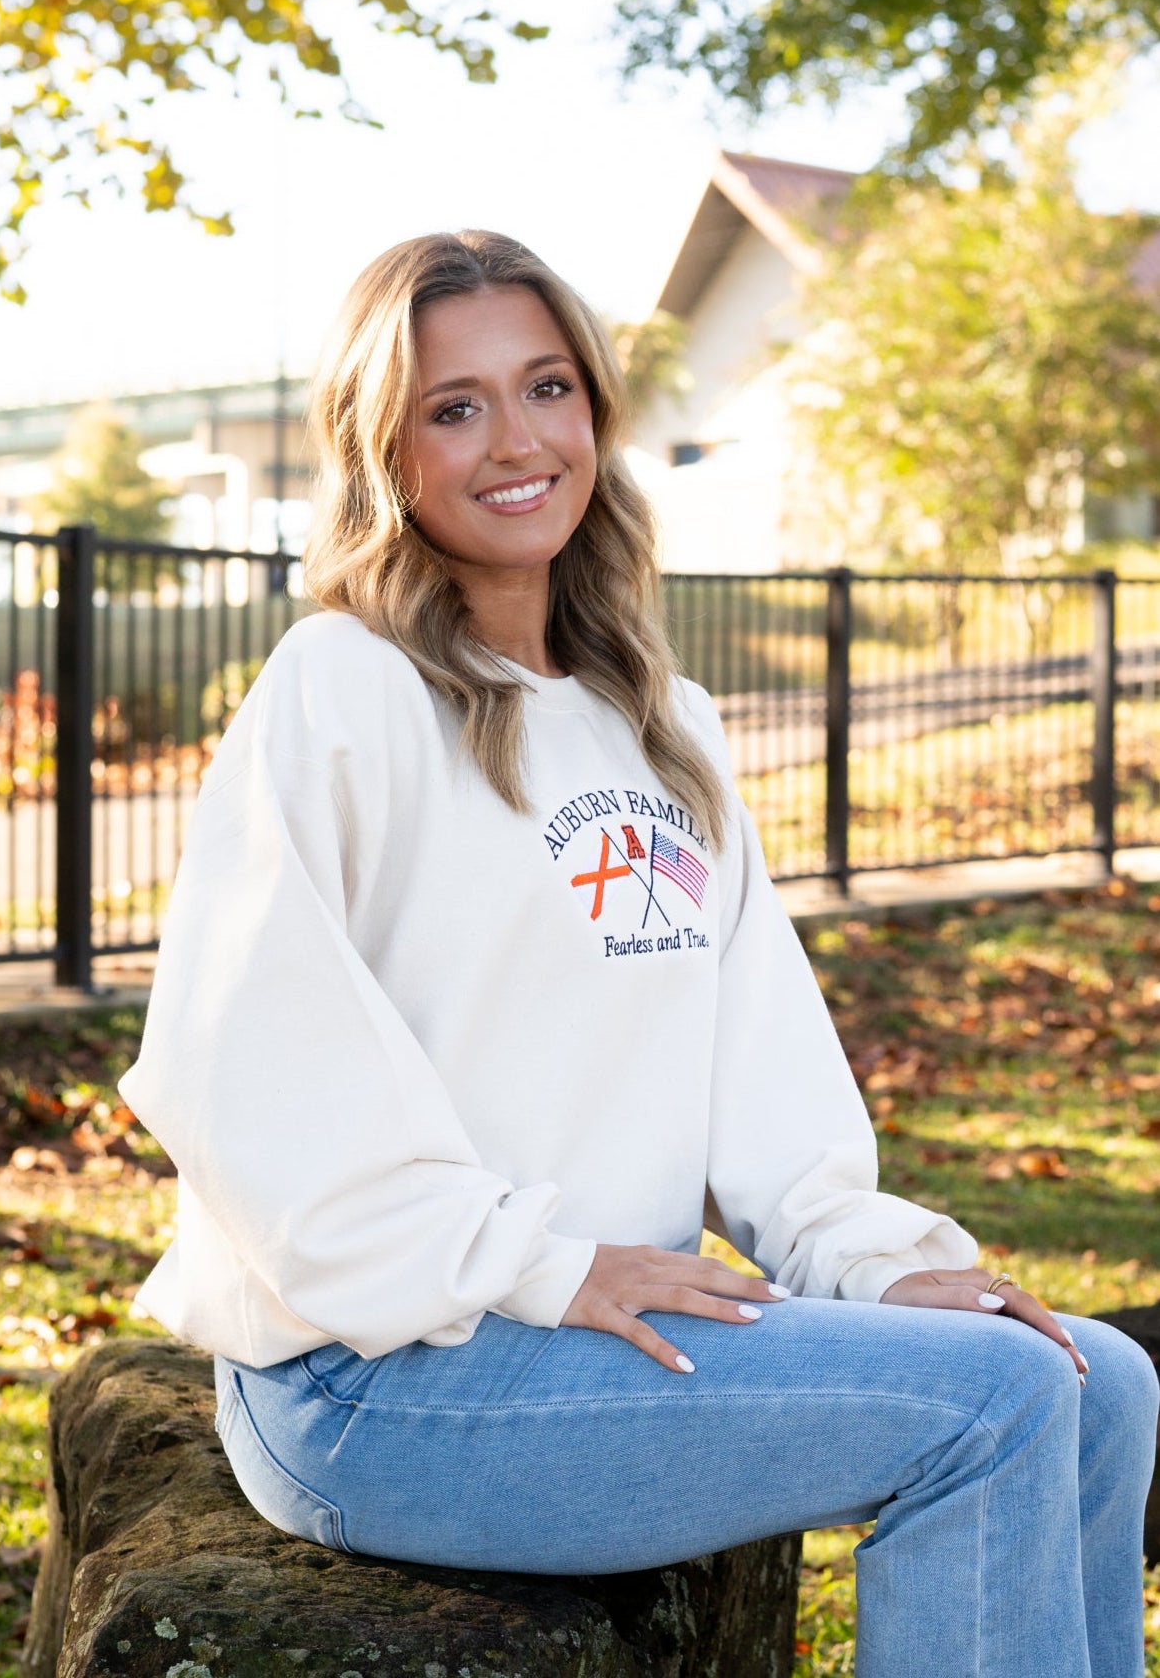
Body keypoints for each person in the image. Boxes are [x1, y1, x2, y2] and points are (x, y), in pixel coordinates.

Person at [119, 230, 1158, 1678]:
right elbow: (246, 1065)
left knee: (1093, 1376)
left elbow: (767, 1074)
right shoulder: (341, 686)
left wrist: (871, 1264)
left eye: (548, 386)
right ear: (385, 451)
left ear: (597, 409)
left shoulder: (660, 720)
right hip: (379, 1373)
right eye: (455, 406)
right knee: (993, 1406)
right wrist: (532, 1261)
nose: (518, 440)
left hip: (596, 1334)